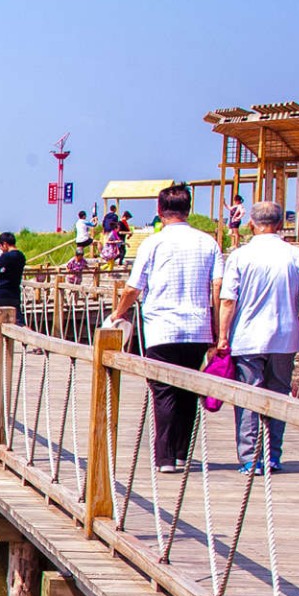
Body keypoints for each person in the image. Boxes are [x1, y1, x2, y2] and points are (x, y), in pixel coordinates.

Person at [108, 185, 221, 473]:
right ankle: (182, 453)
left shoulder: (153, 243)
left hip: (162, 327)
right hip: (198, 327)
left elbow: (134, 287)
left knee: (163, 391)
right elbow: (218, 286)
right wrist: (218, 327)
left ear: (160, 211)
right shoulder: (208, 243)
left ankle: (166, 457)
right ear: (189, 209)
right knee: (188, 390)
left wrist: (118, 314)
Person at [216, 201, 299, 473]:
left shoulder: (240, 255)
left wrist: (222, 335)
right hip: (285, 336)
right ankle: (273, 455)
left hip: (247, 336)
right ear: (281, 224)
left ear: (251, 224)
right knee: (279, 395)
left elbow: (228, 300)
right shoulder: (296, 255)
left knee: (249, 395)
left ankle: (250, 458)